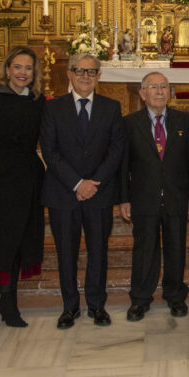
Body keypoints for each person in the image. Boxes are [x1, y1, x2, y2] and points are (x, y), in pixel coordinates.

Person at [40, 53, 125, 329]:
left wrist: (93, 183)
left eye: (91, 72)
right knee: (67, 252)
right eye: (79, 71)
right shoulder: (53, 108)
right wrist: (77, 184)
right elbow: (50, 152)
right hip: (63, 193)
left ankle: (97, 305)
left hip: (99, 193)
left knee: (98, 251)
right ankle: (69, 307)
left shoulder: (112, 107)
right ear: (70, 74)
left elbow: (116, 151)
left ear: (99, 76)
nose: (85, 76)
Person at [0, 46, 45, 328]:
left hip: (27, 177)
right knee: (1, 239)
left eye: (28, 68)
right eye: (17, 67)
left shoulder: (38, 101)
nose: (22, 73)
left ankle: (7, 297)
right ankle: (6, 296)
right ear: (7, 69)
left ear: (34, 73)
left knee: (20, 239)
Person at [120, 72, 189, 321]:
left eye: (164, 86)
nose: (159, 91)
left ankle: (175, 297)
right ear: (142, 93)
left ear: (170, 92)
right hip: (144, 197)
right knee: (145, 250)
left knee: (176, 248)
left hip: (177, 197)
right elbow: (122, 165)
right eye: (153, 87)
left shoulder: (183, 120)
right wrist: (124, 198)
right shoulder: (129, 123)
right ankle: (140, 299)